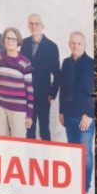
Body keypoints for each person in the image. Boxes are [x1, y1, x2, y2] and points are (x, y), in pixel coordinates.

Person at [59, 31, 97, 193]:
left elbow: (96, 91)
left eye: (79, 43)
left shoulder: (92, 64)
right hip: (69, 115)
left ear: (85, 45)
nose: (75, 46)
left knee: (85, 153)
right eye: (73, 43)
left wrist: (89, 114)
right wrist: (61, 110)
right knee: (73, 152)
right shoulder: (66, 63)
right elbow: (63, 87)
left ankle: (85, 188)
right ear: (69, 44)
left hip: (85, 117)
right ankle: (75, 186)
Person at [22, 12, 62, 141]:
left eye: (37, 24)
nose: (34, 26)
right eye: (31, 24)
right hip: (26, 93)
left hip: (44, 95)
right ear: (28, 25)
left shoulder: (51, 46)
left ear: (42, 26)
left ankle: (46, 158)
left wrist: (52, 92)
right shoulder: (23, 44)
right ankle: (30, 158)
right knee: (29, 128)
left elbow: (57, 73)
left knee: (44, 128)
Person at [0, 27, 34, 138]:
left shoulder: (25, 63)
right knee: (2, 140)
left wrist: (29, 115)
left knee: (18, 142)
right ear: (4, 40)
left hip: (18, 109)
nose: (10, 41)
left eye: (13, 39)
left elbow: (30, 90)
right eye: (7, 38)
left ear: (18, 41)